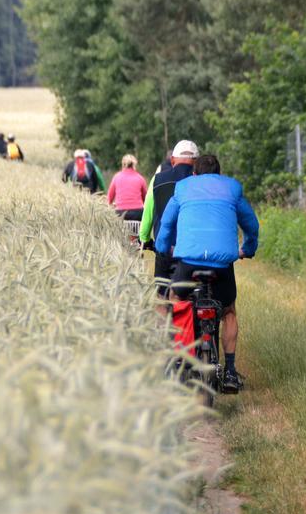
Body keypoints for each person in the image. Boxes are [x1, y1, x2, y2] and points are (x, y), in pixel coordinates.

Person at [155, 154, 260, 392]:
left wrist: (163, 249)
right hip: (222, 265)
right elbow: (251, 225)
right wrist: (249, 248)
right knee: (229, 310)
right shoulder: (232, 188)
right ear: (219, 173)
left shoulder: (182, 188)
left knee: (177, 299)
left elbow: (166, 224)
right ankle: (231, 372)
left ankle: (180, 356)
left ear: (194, 173)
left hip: (188, 263)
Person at [140, 140, 199, 296]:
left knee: (161, 296)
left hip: (165, 247)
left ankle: (164, 313)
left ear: (172, 160)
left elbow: (148, 212)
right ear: (196, 162)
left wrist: (144, 238)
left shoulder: (157, 179)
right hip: (197, 248)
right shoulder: (203, 182)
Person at [107, 154, 148, 220]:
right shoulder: (140, 178)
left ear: (123, 165)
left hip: (120, 213)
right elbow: (145, 199)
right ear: (134, 165)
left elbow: (109, 198)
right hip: (137, 213)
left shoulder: (116, 177)